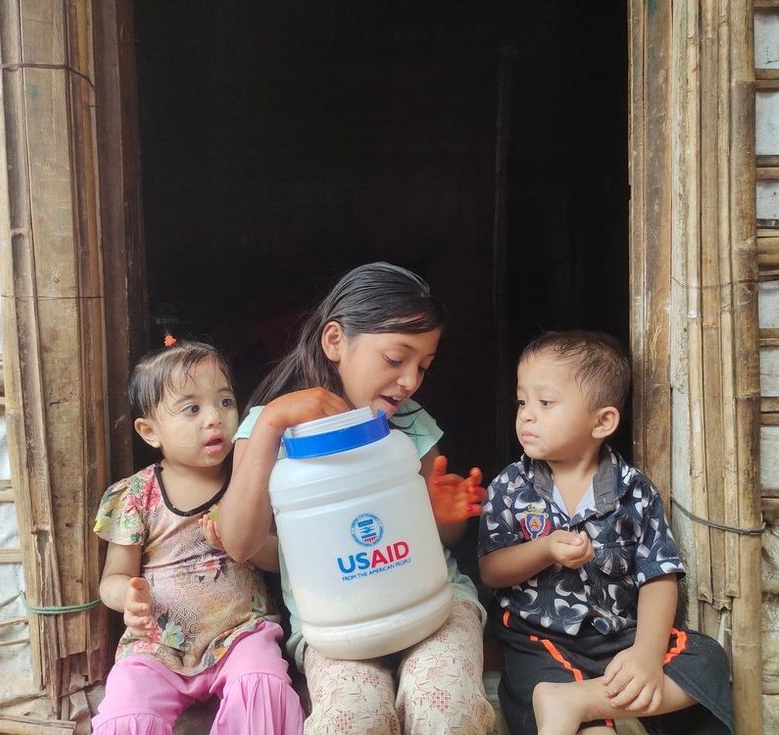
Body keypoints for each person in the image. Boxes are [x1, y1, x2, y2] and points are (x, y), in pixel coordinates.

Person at [217, 262, 495, 734]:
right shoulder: (271, 427)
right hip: (335, 628)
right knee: (352, 719)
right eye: (395, 358)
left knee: (444, 706)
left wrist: (444, 515)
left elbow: (444, 535)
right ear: (334, 341)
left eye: (423, 366)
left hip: (435, 607)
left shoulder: (411, 425)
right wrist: (270, 426)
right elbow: (239, 544)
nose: (410, 380)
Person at [478, 331, 735, 735]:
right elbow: (491, 571)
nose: (526, 415)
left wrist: (646, 654)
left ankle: (582, 700)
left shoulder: (634, 490)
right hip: (540, 641)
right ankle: (577, 705)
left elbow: (658, 576)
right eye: (522, 401)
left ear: (602, 422)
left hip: (618, 636)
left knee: (707, 658)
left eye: (545, 403)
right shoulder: (510, 487)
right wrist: (543, 549)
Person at [91, 338, 304, 735]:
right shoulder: (137, 495)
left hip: (241, 634)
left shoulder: (248, 483)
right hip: (157, 645)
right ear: (149, 431)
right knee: (126, 713)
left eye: (224, 402)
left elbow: (284, 562)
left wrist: (240, 543)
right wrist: (128, 597)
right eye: (192, 408)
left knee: (262, 684)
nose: (214, 418)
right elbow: (112, 579)